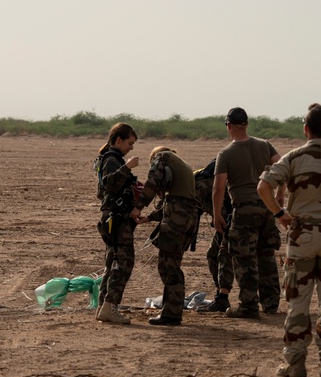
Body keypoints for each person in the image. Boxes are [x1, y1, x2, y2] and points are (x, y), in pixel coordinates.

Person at [258, 104, 321, 377]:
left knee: (298, 303)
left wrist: (280, 214)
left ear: (306, 129)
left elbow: (263, 186)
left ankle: (295, 363)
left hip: (301, 237)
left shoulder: (293, 158)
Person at [212, 107, 282, 318]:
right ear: (246, 124)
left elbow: (218, 188)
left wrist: (217, 215)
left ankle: (248, 306)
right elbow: (283, 167)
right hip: (267, 208)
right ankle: (270, 304)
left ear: (229, 126)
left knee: (244, 259)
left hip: (244, 210)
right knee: (266, 256)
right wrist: (280, 195)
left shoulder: (225, 153)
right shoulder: (264, 145)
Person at [131, 146, 201, 325]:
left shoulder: (161, 157)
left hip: (177, 218)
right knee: (173, 263)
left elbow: (153, 182)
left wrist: (139, 206)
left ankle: (171, 313)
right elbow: (175, 199)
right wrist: (150, 217)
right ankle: (172, 309)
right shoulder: (181, 166)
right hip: (187, 216)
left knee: (168, 266)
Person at [94, 122, 142, 325]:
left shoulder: (108, 158)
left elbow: (101, 192)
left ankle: (103, 307)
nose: (131, 148)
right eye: (129, 143)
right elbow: (108, 184)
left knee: (112, 262)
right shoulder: (113, 160)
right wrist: (127, 168)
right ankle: (110, 306)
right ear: (119, 140)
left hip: (113, 217)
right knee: (123, 263)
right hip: (117, 218)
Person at [193, 159, 235, 312]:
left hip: (235, 219)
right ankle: (221, 295)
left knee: (224, 255)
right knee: (212, 255)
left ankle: (223, 298)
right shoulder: (199, 178)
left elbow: (222, 214)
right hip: (229, 216)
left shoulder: (200, 184)